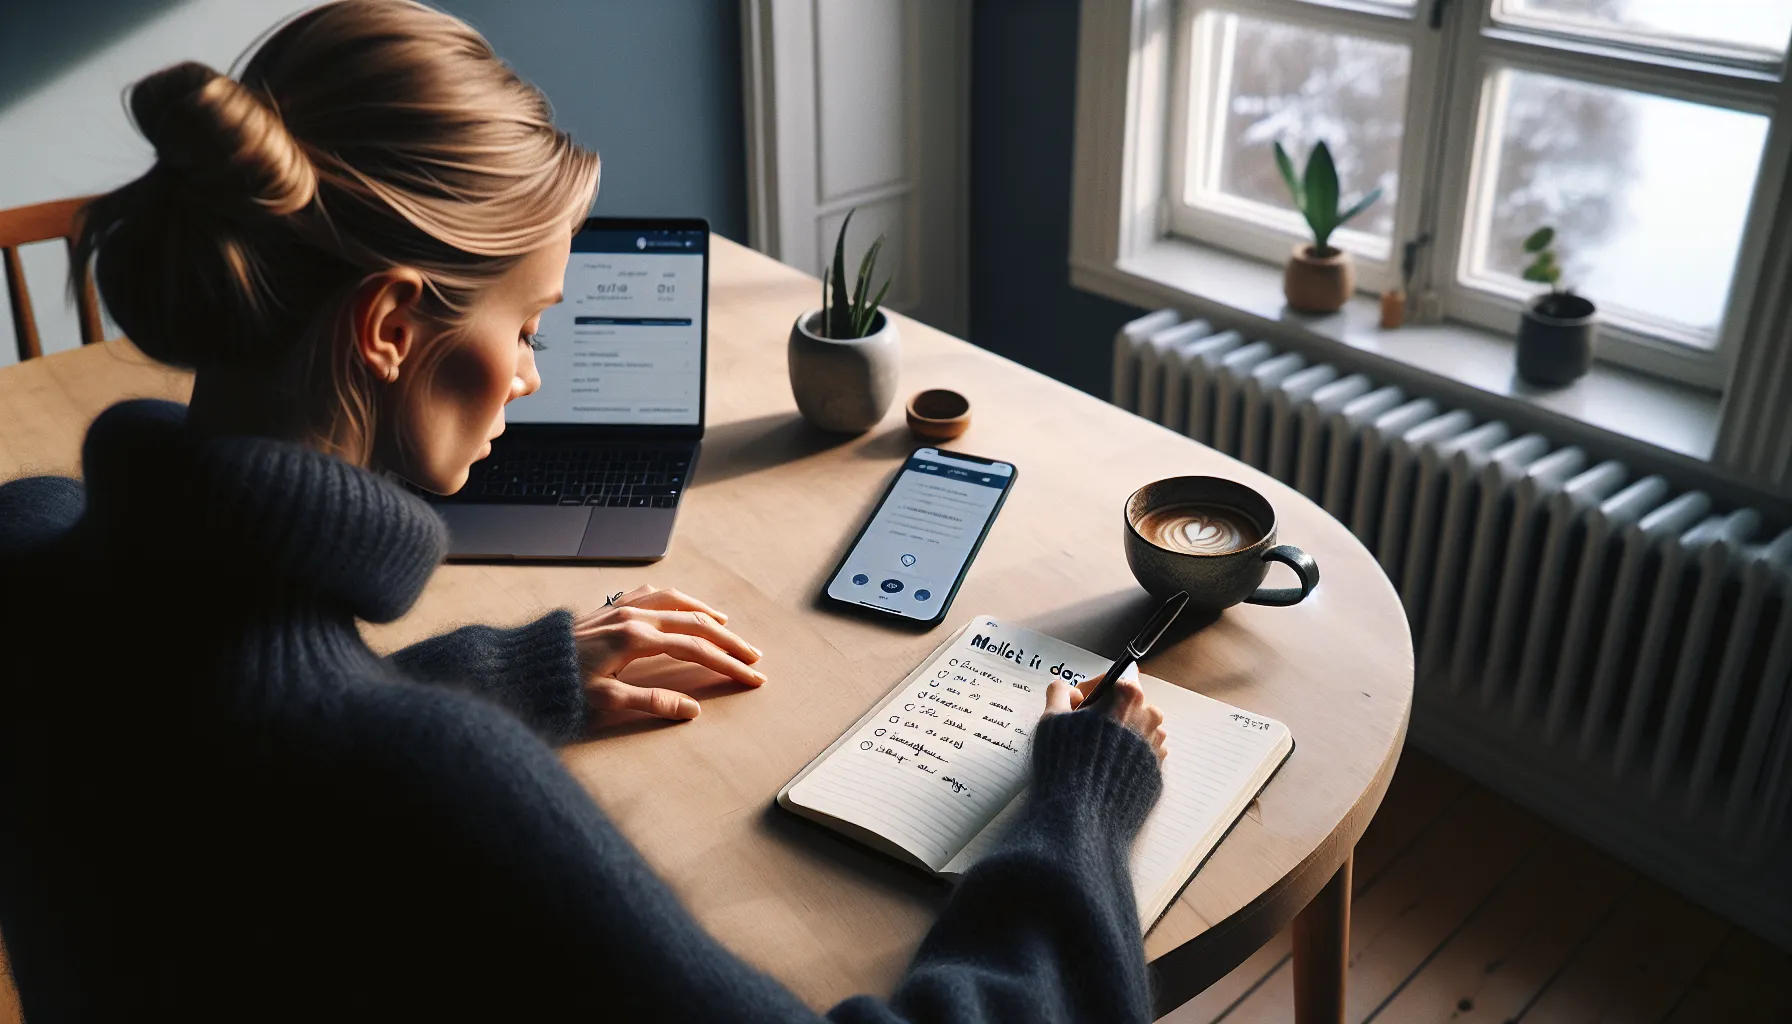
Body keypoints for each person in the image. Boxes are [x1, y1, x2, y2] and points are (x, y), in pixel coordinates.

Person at [0, 2, 1171, 1020]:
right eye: (528, 324)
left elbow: (222, 743)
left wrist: (505, 673)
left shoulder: (33, 551)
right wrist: (1077, 802)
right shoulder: (434, 783)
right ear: (390, 326)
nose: (529, 375)